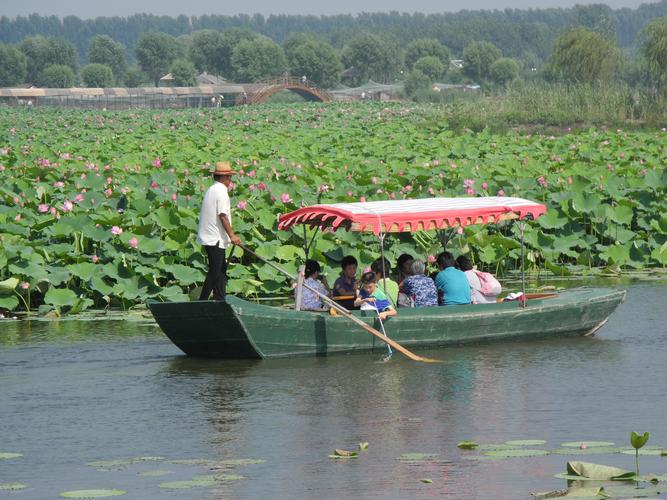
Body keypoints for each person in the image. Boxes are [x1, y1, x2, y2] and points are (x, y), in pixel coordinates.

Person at [197, 161, 242, 301]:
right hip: (214, 238)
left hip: (211, 237)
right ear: (224, 178)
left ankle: (220, 298)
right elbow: (223, 216)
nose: (230, 180)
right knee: (215, 271)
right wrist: (232, 235)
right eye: (229, 177)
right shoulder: (221, 191)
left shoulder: (211, 189)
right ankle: (202, 301)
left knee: (221, 270)